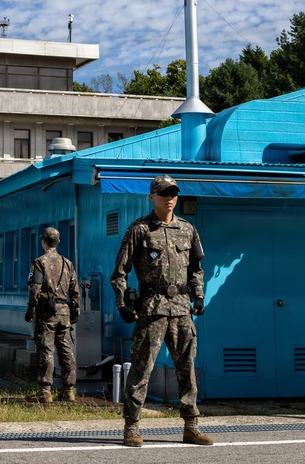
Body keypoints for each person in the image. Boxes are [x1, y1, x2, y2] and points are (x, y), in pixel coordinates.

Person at [110, 175, 213, 447]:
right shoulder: (139, 230)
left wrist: (199, 296)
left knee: (186, 369)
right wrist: (122, 303)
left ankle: (191, 425)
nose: (169, 197)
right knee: (142, 370)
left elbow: (196, 269)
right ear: (151, 196)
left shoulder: (188, 229)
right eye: (163, 192)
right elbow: (120, 272)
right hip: (152, 309)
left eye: (173, 193)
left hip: (181, 310)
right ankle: (131, 426)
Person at [25, 227, 80, 403]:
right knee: (66, 350)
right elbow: (75, 290)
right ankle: (69, 389)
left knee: (46, 349)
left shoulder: (39, 262)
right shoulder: (68, 263)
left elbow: (35, 289)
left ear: (43, 241)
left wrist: (30, 310)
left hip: (46, 312)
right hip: (64, 312)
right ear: (58, 242)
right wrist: (76, 312)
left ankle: (45, 390)